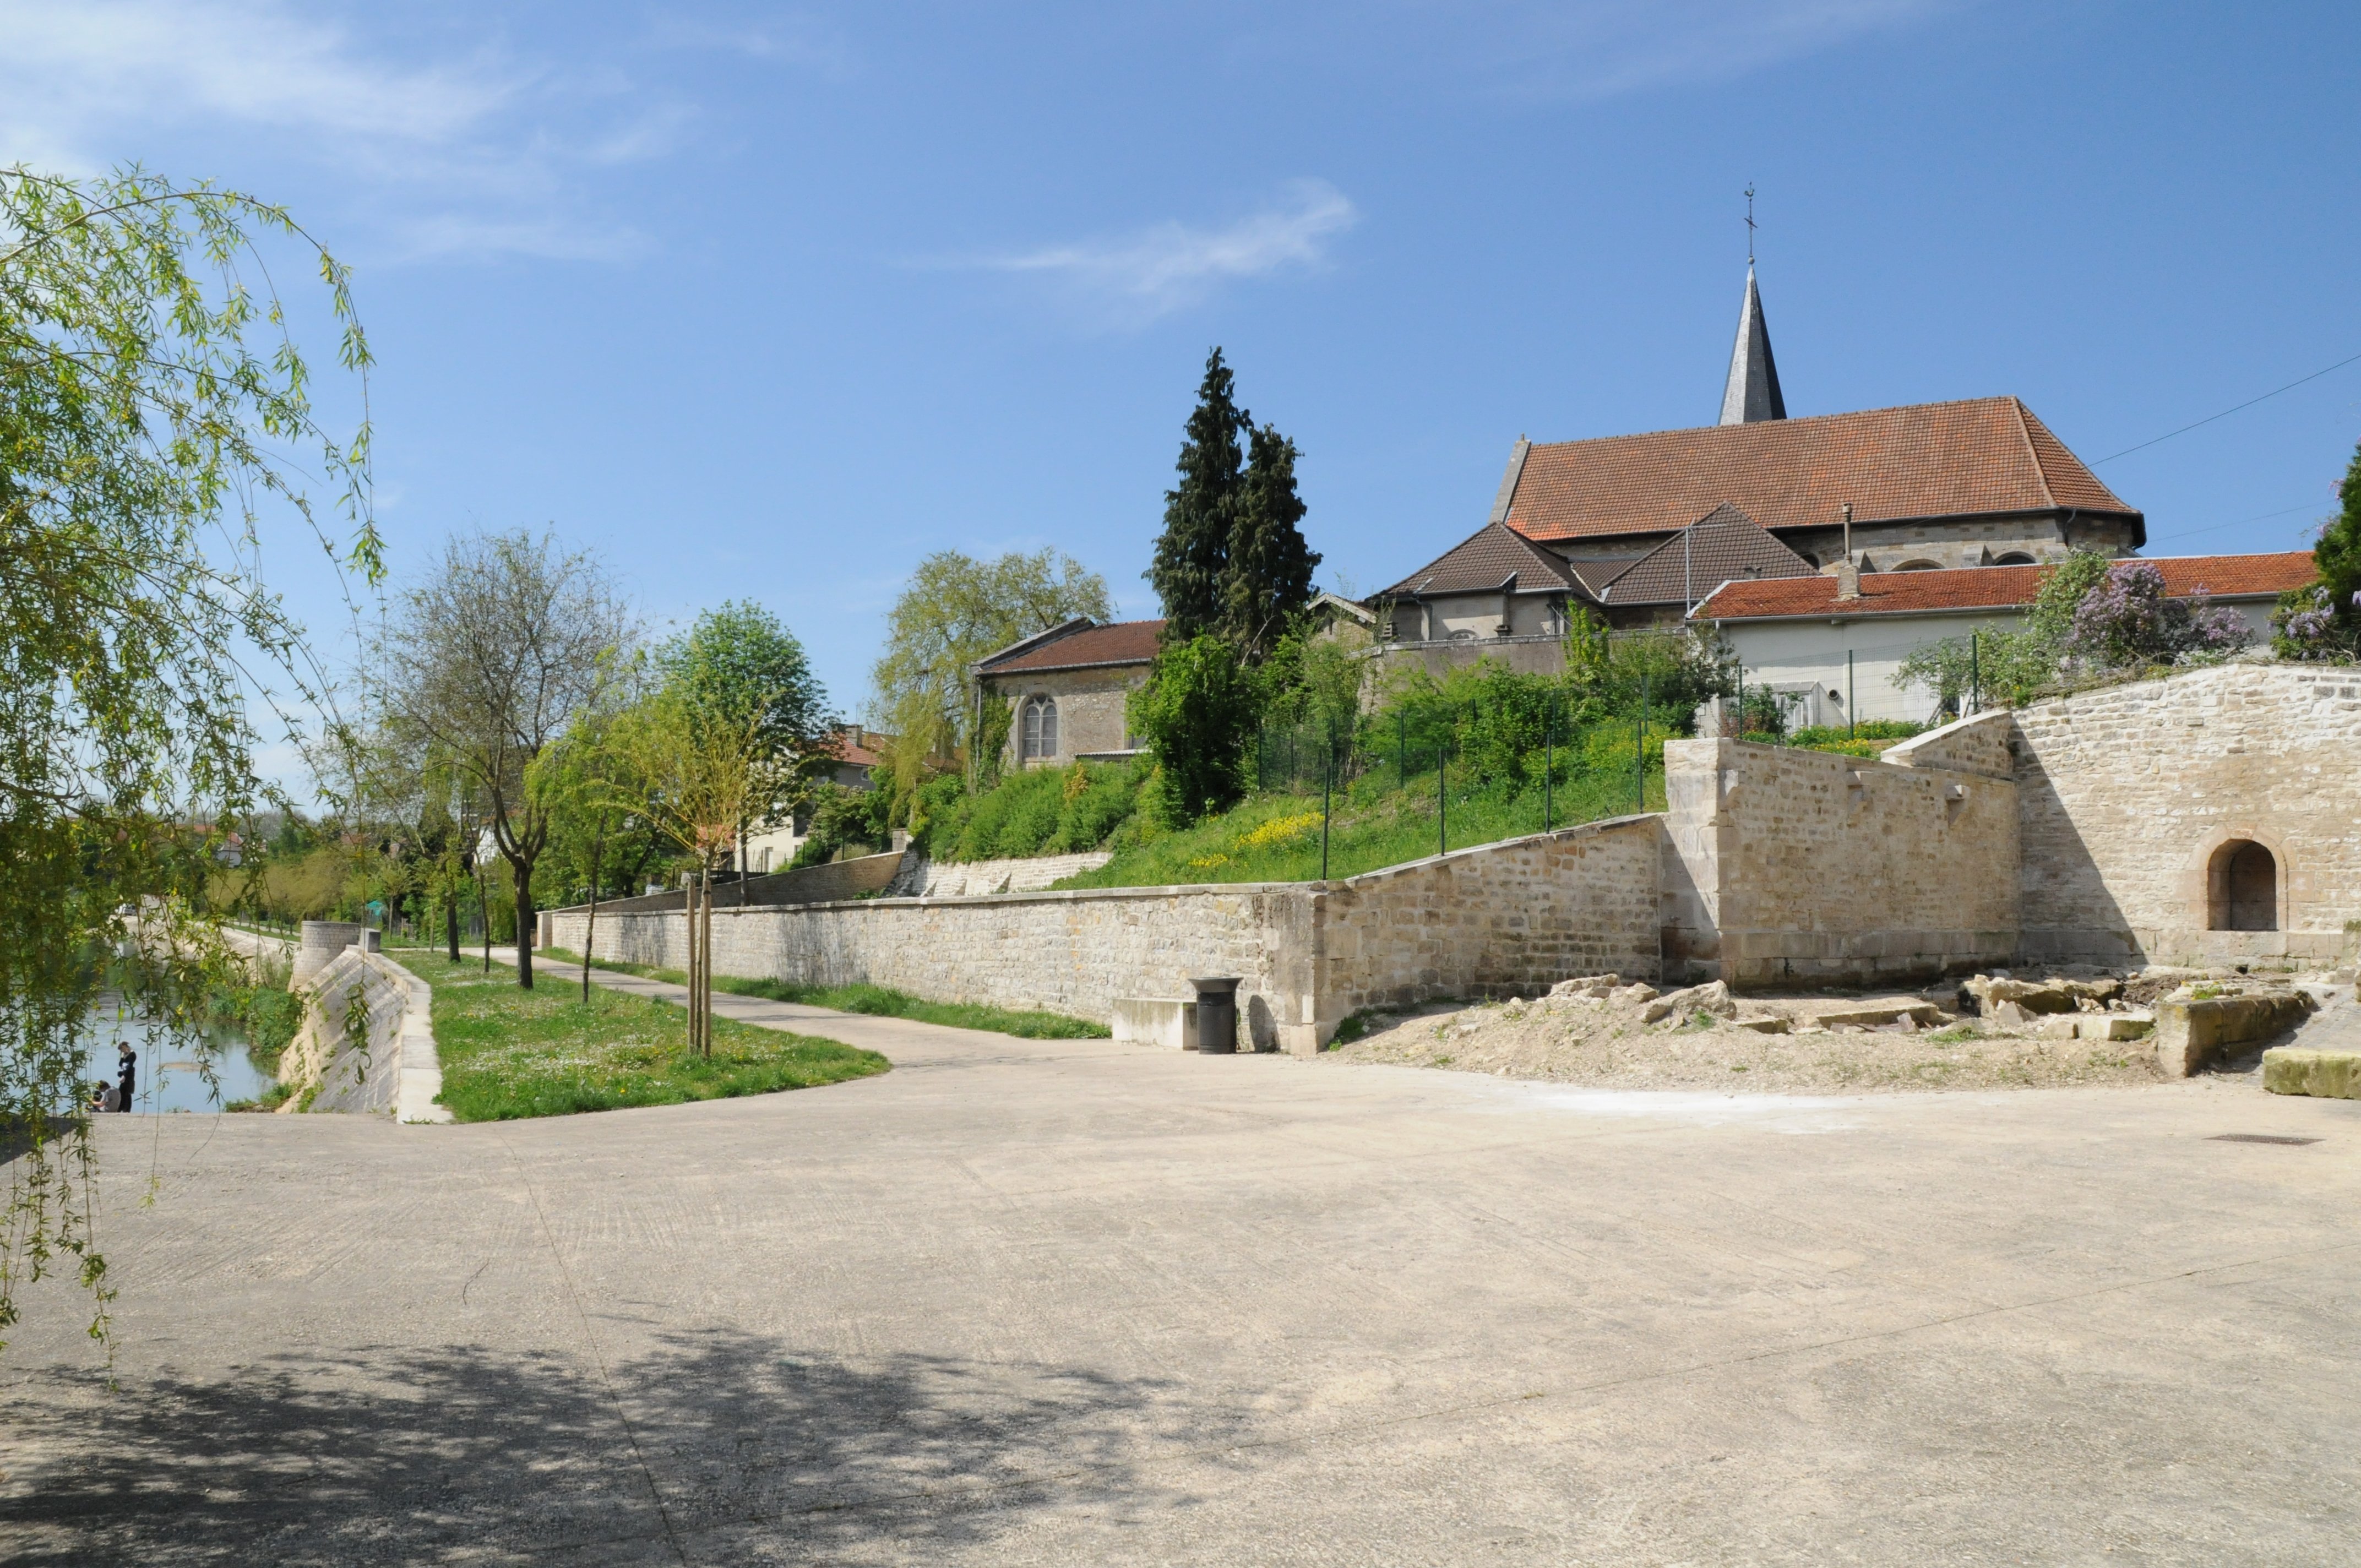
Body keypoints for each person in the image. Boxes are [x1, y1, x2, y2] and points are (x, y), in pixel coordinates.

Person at [115, 1040, 137, 1113]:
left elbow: (130, 1066)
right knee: (122, 1091)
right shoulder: (125, 1055)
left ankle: (126, 1109)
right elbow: (120, 1064)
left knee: (127, 1092)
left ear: (124, 1047)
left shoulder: (132, 1054)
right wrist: (122, 1057)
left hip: (129, 1075)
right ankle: (121, 1108)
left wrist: (124, 1076)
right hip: (124, 1074)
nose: (122, 1051)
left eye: (121, 1049)